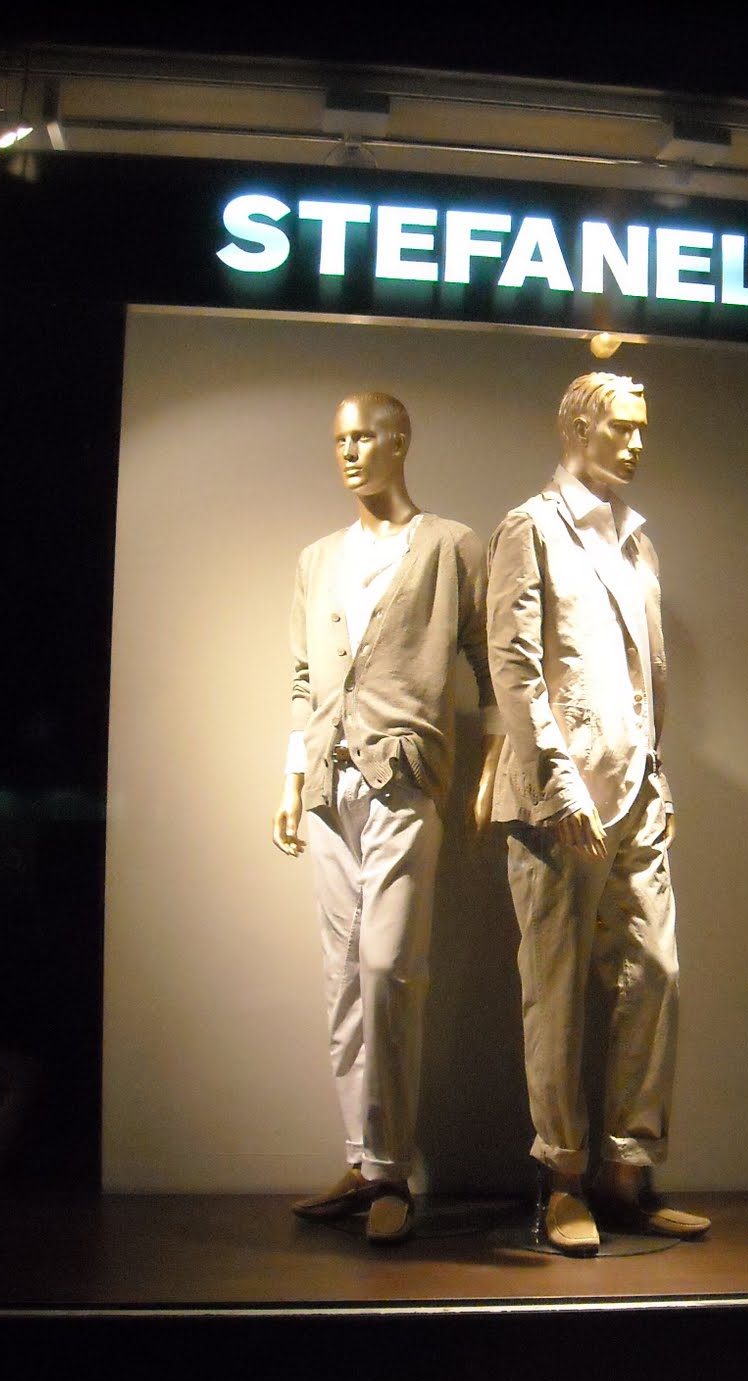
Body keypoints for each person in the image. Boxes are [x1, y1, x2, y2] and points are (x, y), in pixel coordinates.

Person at [480, 372, 709, 1256]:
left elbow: (646, 672)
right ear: (577, 427)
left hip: (639, 793)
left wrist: (656, 772)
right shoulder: (530, 528)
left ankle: (626, 1173)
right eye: (621, 427)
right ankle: (564, 1178)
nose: (637, 443)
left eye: (642, 428)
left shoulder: (636, 540)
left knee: (654, 976)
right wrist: (560, 783)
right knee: (556, 992)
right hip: (560, 804)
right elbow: (514, 663)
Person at [273, 391, 496, 1245]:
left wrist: (494, 761)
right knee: (341, 978)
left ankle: (394, 1167)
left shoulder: (450, 546)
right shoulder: (316, 559)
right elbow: (304, 677)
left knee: (388, 968)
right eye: (340, 438)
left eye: (365, 436)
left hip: (405, 779)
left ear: (401, 441)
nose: (349, 451)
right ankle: (364, 1161)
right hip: (329, 786)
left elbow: (489, 657)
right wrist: (291, 776)